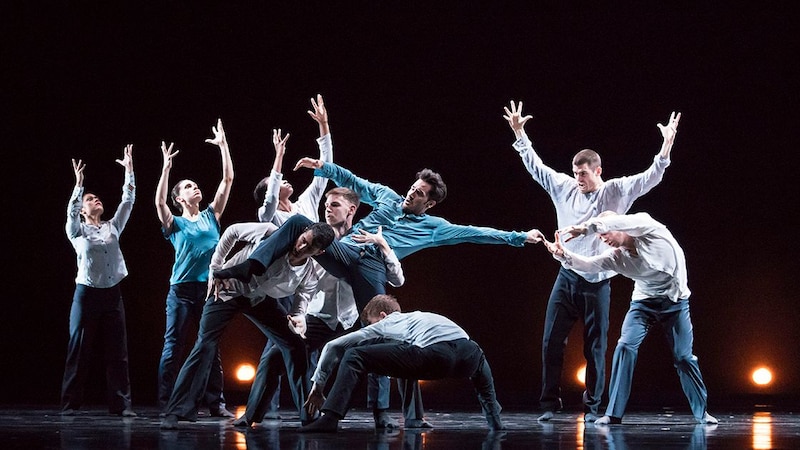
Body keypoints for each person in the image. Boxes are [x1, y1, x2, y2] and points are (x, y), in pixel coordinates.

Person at [215, 123, 544, 312]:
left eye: (418, 194)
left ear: (429, 204)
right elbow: (356, 183)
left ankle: (385, 407)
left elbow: (475, 232)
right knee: (300, 224)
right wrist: (324, 167)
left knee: (380, 321)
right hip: (347, 250)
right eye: (412, 187)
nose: (410, 193)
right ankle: (251, 266)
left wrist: (517, 237)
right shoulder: (387, 196)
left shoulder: (434, 227)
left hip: (373, 265)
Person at [503, 100, 681, 421]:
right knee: (550, 342)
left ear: (598, 170)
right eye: (575, 173)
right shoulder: (564, 187)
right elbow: (536, 166)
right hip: (566, 277)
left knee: (595, 351)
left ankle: (594, 408)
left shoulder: (615, 191)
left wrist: (665, 147)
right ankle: (549, 404)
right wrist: (519, 133)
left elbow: (650, 177)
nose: (578, 178)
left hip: (597, 283)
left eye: (583, 173)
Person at [543, 211, 718, 425]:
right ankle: (613, 414)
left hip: (676, 303)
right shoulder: (616, 257)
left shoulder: (647, 228)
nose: (602, 237)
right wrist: (563, 255)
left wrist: (584, 228)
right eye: (599, 235)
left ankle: (702, 413)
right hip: (643, 304)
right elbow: (590, 265)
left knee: (683, 357)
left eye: (604, 231)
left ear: (619, 226)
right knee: (625, 346)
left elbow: (619, 221)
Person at [160, 222, 335, 429]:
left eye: (310, 248)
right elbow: (232, 231)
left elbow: (301, 301)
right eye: (303, 241)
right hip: (227, 291)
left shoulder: (309, 271)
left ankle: (307, 416)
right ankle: (176, 411)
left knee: (295, 345)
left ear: (319, 251)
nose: (302, 248)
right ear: (303, 232)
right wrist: (216, 268)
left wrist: (299, 319)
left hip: (259, 299)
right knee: (205, 345)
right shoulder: (272, 233)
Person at [298, 294, 505, 433]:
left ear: (382, 316)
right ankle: (494, 422)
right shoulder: (423, 317)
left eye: (371, 323)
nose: (371, 329)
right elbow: (482, 371)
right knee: (477, 363)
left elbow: (333, 346)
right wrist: (493, 416)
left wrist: (318, 387)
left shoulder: (389, 322)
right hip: (469, 353)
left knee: (354, 355)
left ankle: (330, 418)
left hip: (433, 355)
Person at [154, 118, 235, 417]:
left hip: (209, 289)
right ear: (179, 199)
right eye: (188, 186)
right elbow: (159, 200)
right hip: (181, 290)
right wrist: (165, 168)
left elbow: (227, 181)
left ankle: (216, 403)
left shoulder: (211, 215)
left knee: (209, 346)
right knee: (173, 347)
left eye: (196, 184)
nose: (195, 187)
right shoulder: (174, 224)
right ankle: (167, 402)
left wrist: (224, 146)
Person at [61, 145, 136, 417]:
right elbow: (70, 213)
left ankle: (122, 405)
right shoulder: (77, 230)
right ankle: (70, 404)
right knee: (79, 349)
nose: (97, 200)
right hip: (86, 294)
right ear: (82, 209)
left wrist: (129, 172)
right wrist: (79, 187)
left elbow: (127, 202)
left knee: (118, 352)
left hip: (112, 294)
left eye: (97, 198)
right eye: (91, 200)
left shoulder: (112, 226)